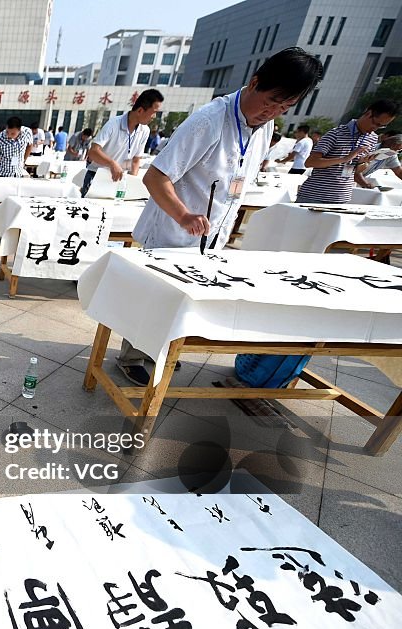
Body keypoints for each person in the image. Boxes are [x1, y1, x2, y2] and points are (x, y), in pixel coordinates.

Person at [117, 47, 323, 386]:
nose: (271, 112)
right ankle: (132, 356)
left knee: (185, 298)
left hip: (211, 233)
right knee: (155, 297)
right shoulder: (209, 120)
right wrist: (183, 215)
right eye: (270, 101)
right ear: (254, 82)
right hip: (173, 227)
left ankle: (162, 350)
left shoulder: (264, 128)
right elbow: (155, 177)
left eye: (284, 107)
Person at [296, 99, 398, 204]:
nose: (376, 128)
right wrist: (344, 159)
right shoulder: (336, 133)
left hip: (342, 198)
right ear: (368, 113)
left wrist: (364, 162)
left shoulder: (372, 138)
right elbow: (310, 162)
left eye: (382, 126)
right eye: (376, 123)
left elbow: (357, 171)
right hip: (314, 196)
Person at [82, 89, 164, 196]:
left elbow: (135, 160)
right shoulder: (113, 124)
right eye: (154, 112)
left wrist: (131, 184)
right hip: (97, 177)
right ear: (140, 110)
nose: (154, 117)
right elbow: (93, 152)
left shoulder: (144, 131)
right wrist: (112, 163)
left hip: (119, 181)